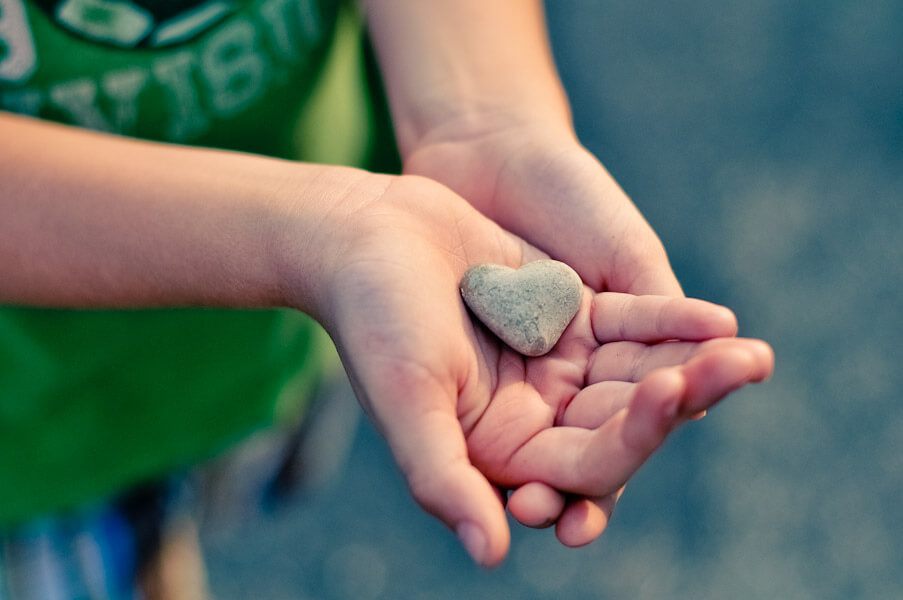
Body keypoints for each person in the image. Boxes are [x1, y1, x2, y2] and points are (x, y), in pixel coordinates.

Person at [0, 0, 774, 595]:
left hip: (293, 328)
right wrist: (319, 233)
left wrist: (483, 120)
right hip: (30, 438)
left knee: (232, 471)